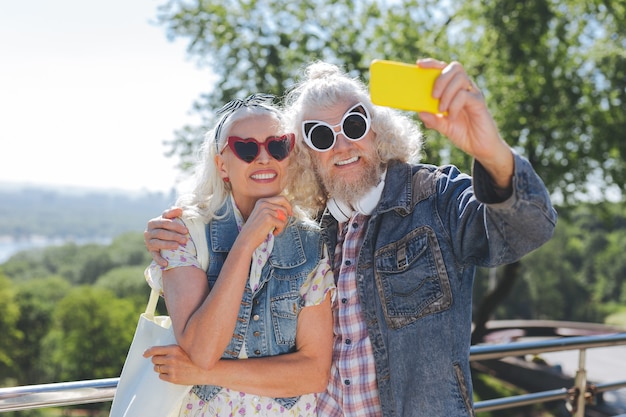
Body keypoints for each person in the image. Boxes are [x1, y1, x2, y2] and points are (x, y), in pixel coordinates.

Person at [144, 58, 557, 417]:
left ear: (377, 129)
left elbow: (527, 229)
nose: (341, 144)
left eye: (354, 124)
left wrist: (490, 151)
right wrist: (176, 230)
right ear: (306, 154)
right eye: (321, 136)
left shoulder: (433, 197)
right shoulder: (311, 231)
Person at [142, 93, 335, 417]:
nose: (263, 158)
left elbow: (313, 372)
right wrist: (245, 243)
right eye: (245, 148)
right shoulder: (184, 233)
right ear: (222, 165)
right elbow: (202, 349)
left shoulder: (312, 245)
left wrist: (204, 375)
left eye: (277, 146)